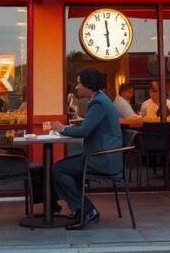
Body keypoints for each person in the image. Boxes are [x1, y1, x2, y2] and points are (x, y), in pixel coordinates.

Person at [49, 67, 123, 230]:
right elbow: (89, 126)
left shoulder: (98, 103)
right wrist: (70, 128)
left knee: (59, 169)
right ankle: (81, 210)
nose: (76, 87)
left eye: (79, 83)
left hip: (102, 159)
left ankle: (86, 210)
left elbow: (85, 131)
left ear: (88, 84)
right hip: (102, 156)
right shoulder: (101, 99)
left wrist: (61, 129)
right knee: (66, 168)